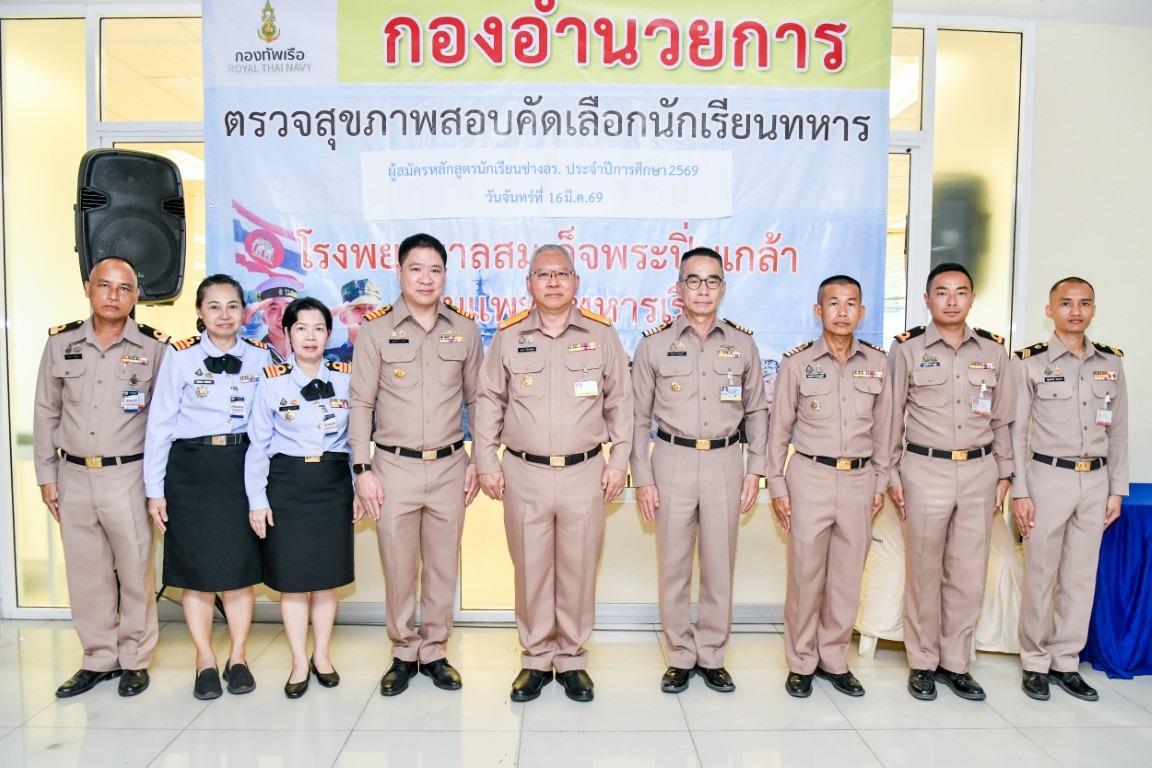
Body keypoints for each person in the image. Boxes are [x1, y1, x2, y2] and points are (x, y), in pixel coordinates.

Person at [475, 244, 633, 703]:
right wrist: (486, 460)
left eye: (561, 274)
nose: (553, 282)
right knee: (531, 569)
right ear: (529, 284)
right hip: (524, 472)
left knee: (579, 569)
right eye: (543, 274)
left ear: (576, 282)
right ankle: (535, 658)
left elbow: (622, 402)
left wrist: (619, 461)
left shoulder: (601, 335)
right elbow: (488, 401)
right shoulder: (508, 336)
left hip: (585, 471)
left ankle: (572, 659)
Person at [630, 246, 768, 695]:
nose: (703, 289)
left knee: (719, 564)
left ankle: (711, 653)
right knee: (673, 565)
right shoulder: (654, 344)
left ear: (723, 288)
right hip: (671, 460)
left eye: (711, 281)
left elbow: (757, 411)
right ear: (679, 288)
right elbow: (636, 417)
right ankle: (679, 655)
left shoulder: (743, 344)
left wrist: (756, 469)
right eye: (693, 280)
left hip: (726, 461)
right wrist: (642, 476)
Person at [349, 234, 482, 696]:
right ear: (400, 273)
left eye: (435, 270)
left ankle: (436, 650)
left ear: (445, 275)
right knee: (399, 565)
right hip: (393, 468)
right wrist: (362, 468)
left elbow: (478, 400)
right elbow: (361, 403)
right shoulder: (375, 330)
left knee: (443, 565)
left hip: (450, 465)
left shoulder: (465, 330)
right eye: (416, 269)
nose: (426, 278)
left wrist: (479, 460)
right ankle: (404, 651)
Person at [34, 256, 169, 698]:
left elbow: (163, 422)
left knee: (134, 571)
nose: (114, 295)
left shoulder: (155, 348)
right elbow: (46, 411)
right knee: (86, 573)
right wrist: (46, 473)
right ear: (88, 288)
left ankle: (134, 659)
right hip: (73, 474)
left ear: (136, 296)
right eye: (105, 285)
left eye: (124, 288)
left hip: (127, 474)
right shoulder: (61, 343)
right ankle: (97, 658)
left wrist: (157, 486)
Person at [886, 262, 1014, 702]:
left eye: (961, 292)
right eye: (942, 292)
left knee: (969, 572)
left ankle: (956, 663)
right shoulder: (907, 349)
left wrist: (1005, 472)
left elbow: (1003, 420)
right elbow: (890, 416)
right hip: (925, 470)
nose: (952, 300)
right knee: (923, 570)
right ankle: (922, 662)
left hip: (980, 471)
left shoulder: (994, 350)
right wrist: (891, 472)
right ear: (927, 299)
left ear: (972, 298)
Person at [145, 274, 273, 700]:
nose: (224, 315)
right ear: (200, 311)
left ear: (244, 312)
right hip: (191, 471)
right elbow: (160, 425)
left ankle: (238, 657)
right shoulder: (179, 356)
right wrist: (155, 489)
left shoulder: (261, 356)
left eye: (232, 306)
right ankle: (204, 659)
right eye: (214, 306)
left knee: (239, 571)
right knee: (196, 573)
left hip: (241, 469)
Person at [767, 275, 892, 698]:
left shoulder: (878, 363)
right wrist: (777, 486)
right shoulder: (797, 363)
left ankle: (834, 658)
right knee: (805, 575)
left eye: (851, 303)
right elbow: (778, 432)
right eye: (833, 303)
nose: (842, 311)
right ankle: (801, 661)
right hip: (810, 477)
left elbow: (885, 432)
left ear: (862, 312)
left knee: (847, 576)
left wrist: (880, 481)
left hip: (860, 480)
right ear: (818, 311)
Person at [1010, 277, 1127, 702]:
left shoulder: (1111, 363)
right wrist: (1020, 491)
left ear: (1094, 309)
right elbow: (1017, 432)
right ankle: (1035, 662)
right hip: (1048, 477)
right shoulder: (1029, 363)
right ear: (1050, 311)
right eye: (1066, 303)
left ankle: (1065, 661)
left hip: (1095, 480)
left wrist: (1117, 489)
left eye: (1084, 303)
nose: (1075, 311)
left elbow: (1118, 431)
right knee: (1040, 575)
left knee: (1080, 577)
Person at [246, 297, 359, 699]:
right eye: (301, 328)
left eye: (318, 329)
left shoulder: (347, 377)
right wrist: (257, 500)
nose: (310, 337)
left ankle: (322, 656)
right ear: (288, 333)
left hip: (333, 483)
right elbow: (258, 445)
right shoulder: (271, 380)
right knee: (293, 580)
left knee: (326, 579)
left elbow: (356, 440)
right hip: (288, 484)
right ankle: (298, 660)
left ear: (329, 334)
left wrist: (358, 487)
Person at [243, 274, 302, 363]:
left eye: (289, 308)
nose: (282, 316)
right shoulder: (252, 356)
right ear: (264, 318)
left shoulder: (311, 350)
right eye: (274, 309)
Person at [325, 278, 383, 363]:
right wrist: (324, 316)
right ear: (344, 318)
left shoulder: (394, 354)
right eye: (357, 309)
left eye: (372, 308)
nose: (366, 314)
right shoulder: (327, 359)